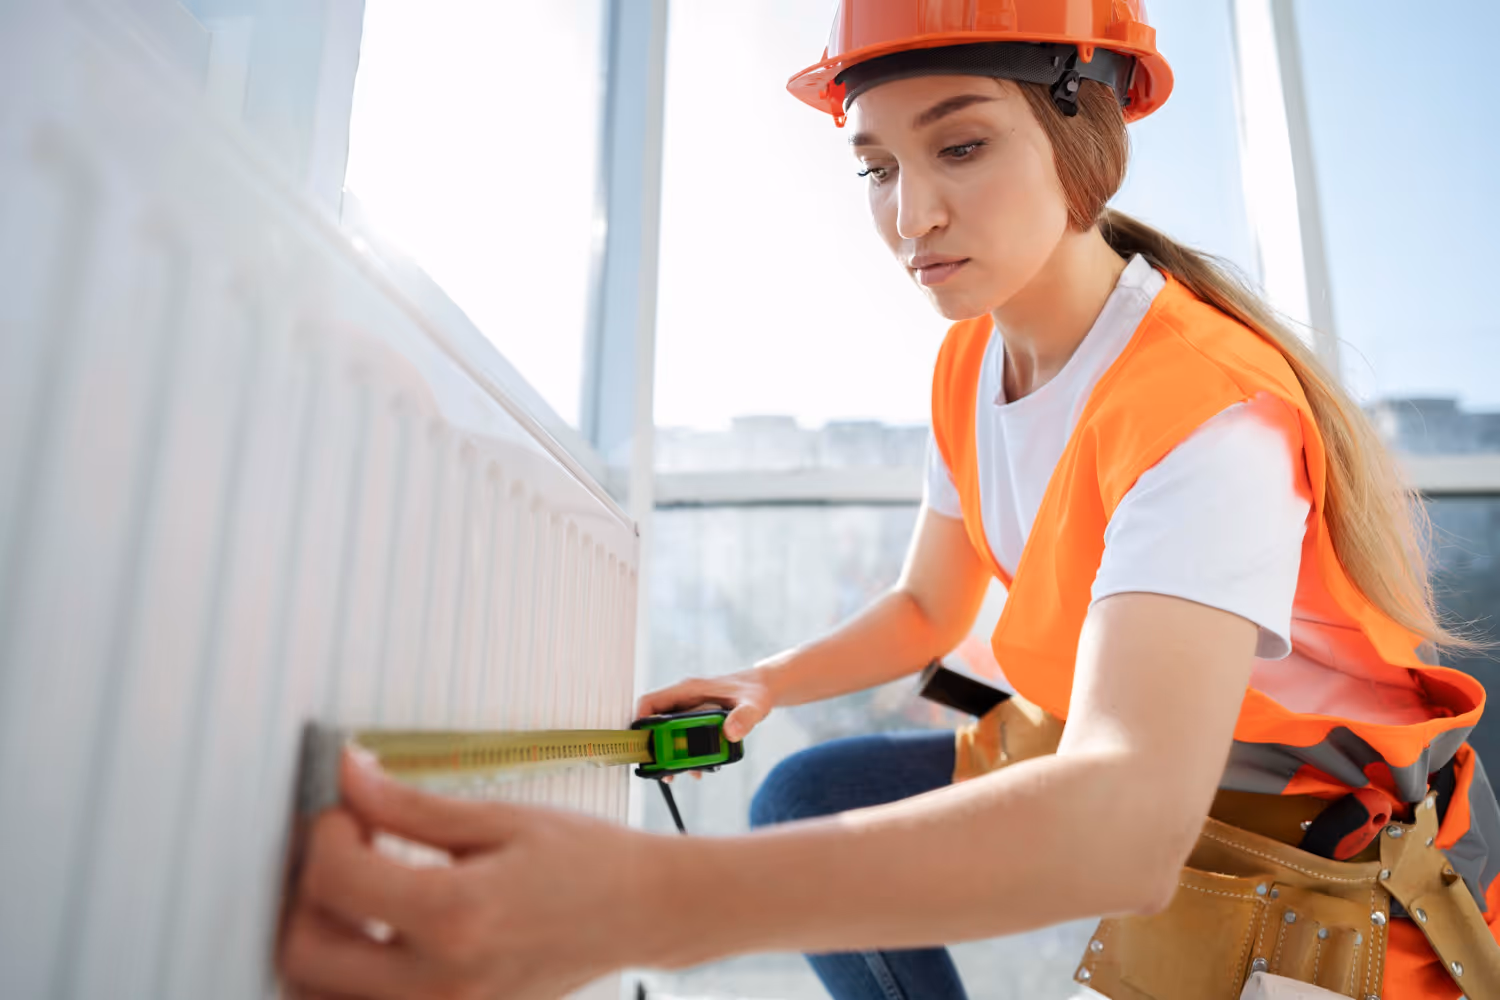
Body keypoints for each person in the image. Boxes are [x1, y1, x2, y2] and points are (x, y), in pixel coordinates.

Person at [279, 3, 1500, 998]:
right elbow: (927, 605)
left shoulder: (1209, 410)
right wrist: (769, 680)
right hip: (1133, 760)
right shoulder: (973, 360)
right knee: (807, 789)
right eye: (877, 165)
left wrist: (645, 906)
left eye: (960, 147)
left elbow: (1126, 826)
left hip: (1316, 853)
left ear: (1089, 140)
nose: (910, 216)